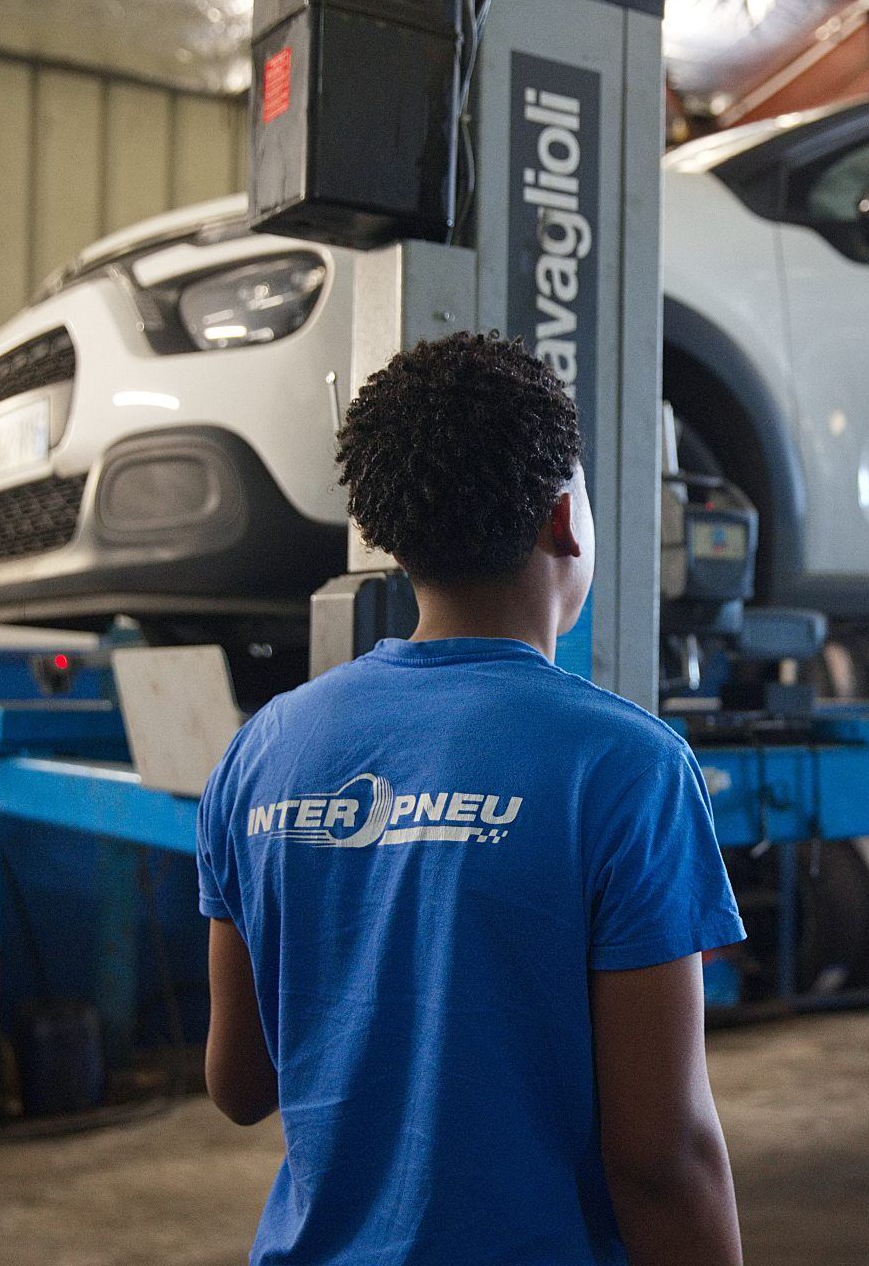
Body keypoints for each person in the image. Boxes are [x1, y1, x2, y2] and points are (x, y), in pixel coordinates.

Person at [198, 332, 746, 1265]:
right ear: (566, 518)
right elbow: (661, 1160)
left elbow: (239, 1083)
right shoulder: (625, 768)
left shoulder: (262, 751)